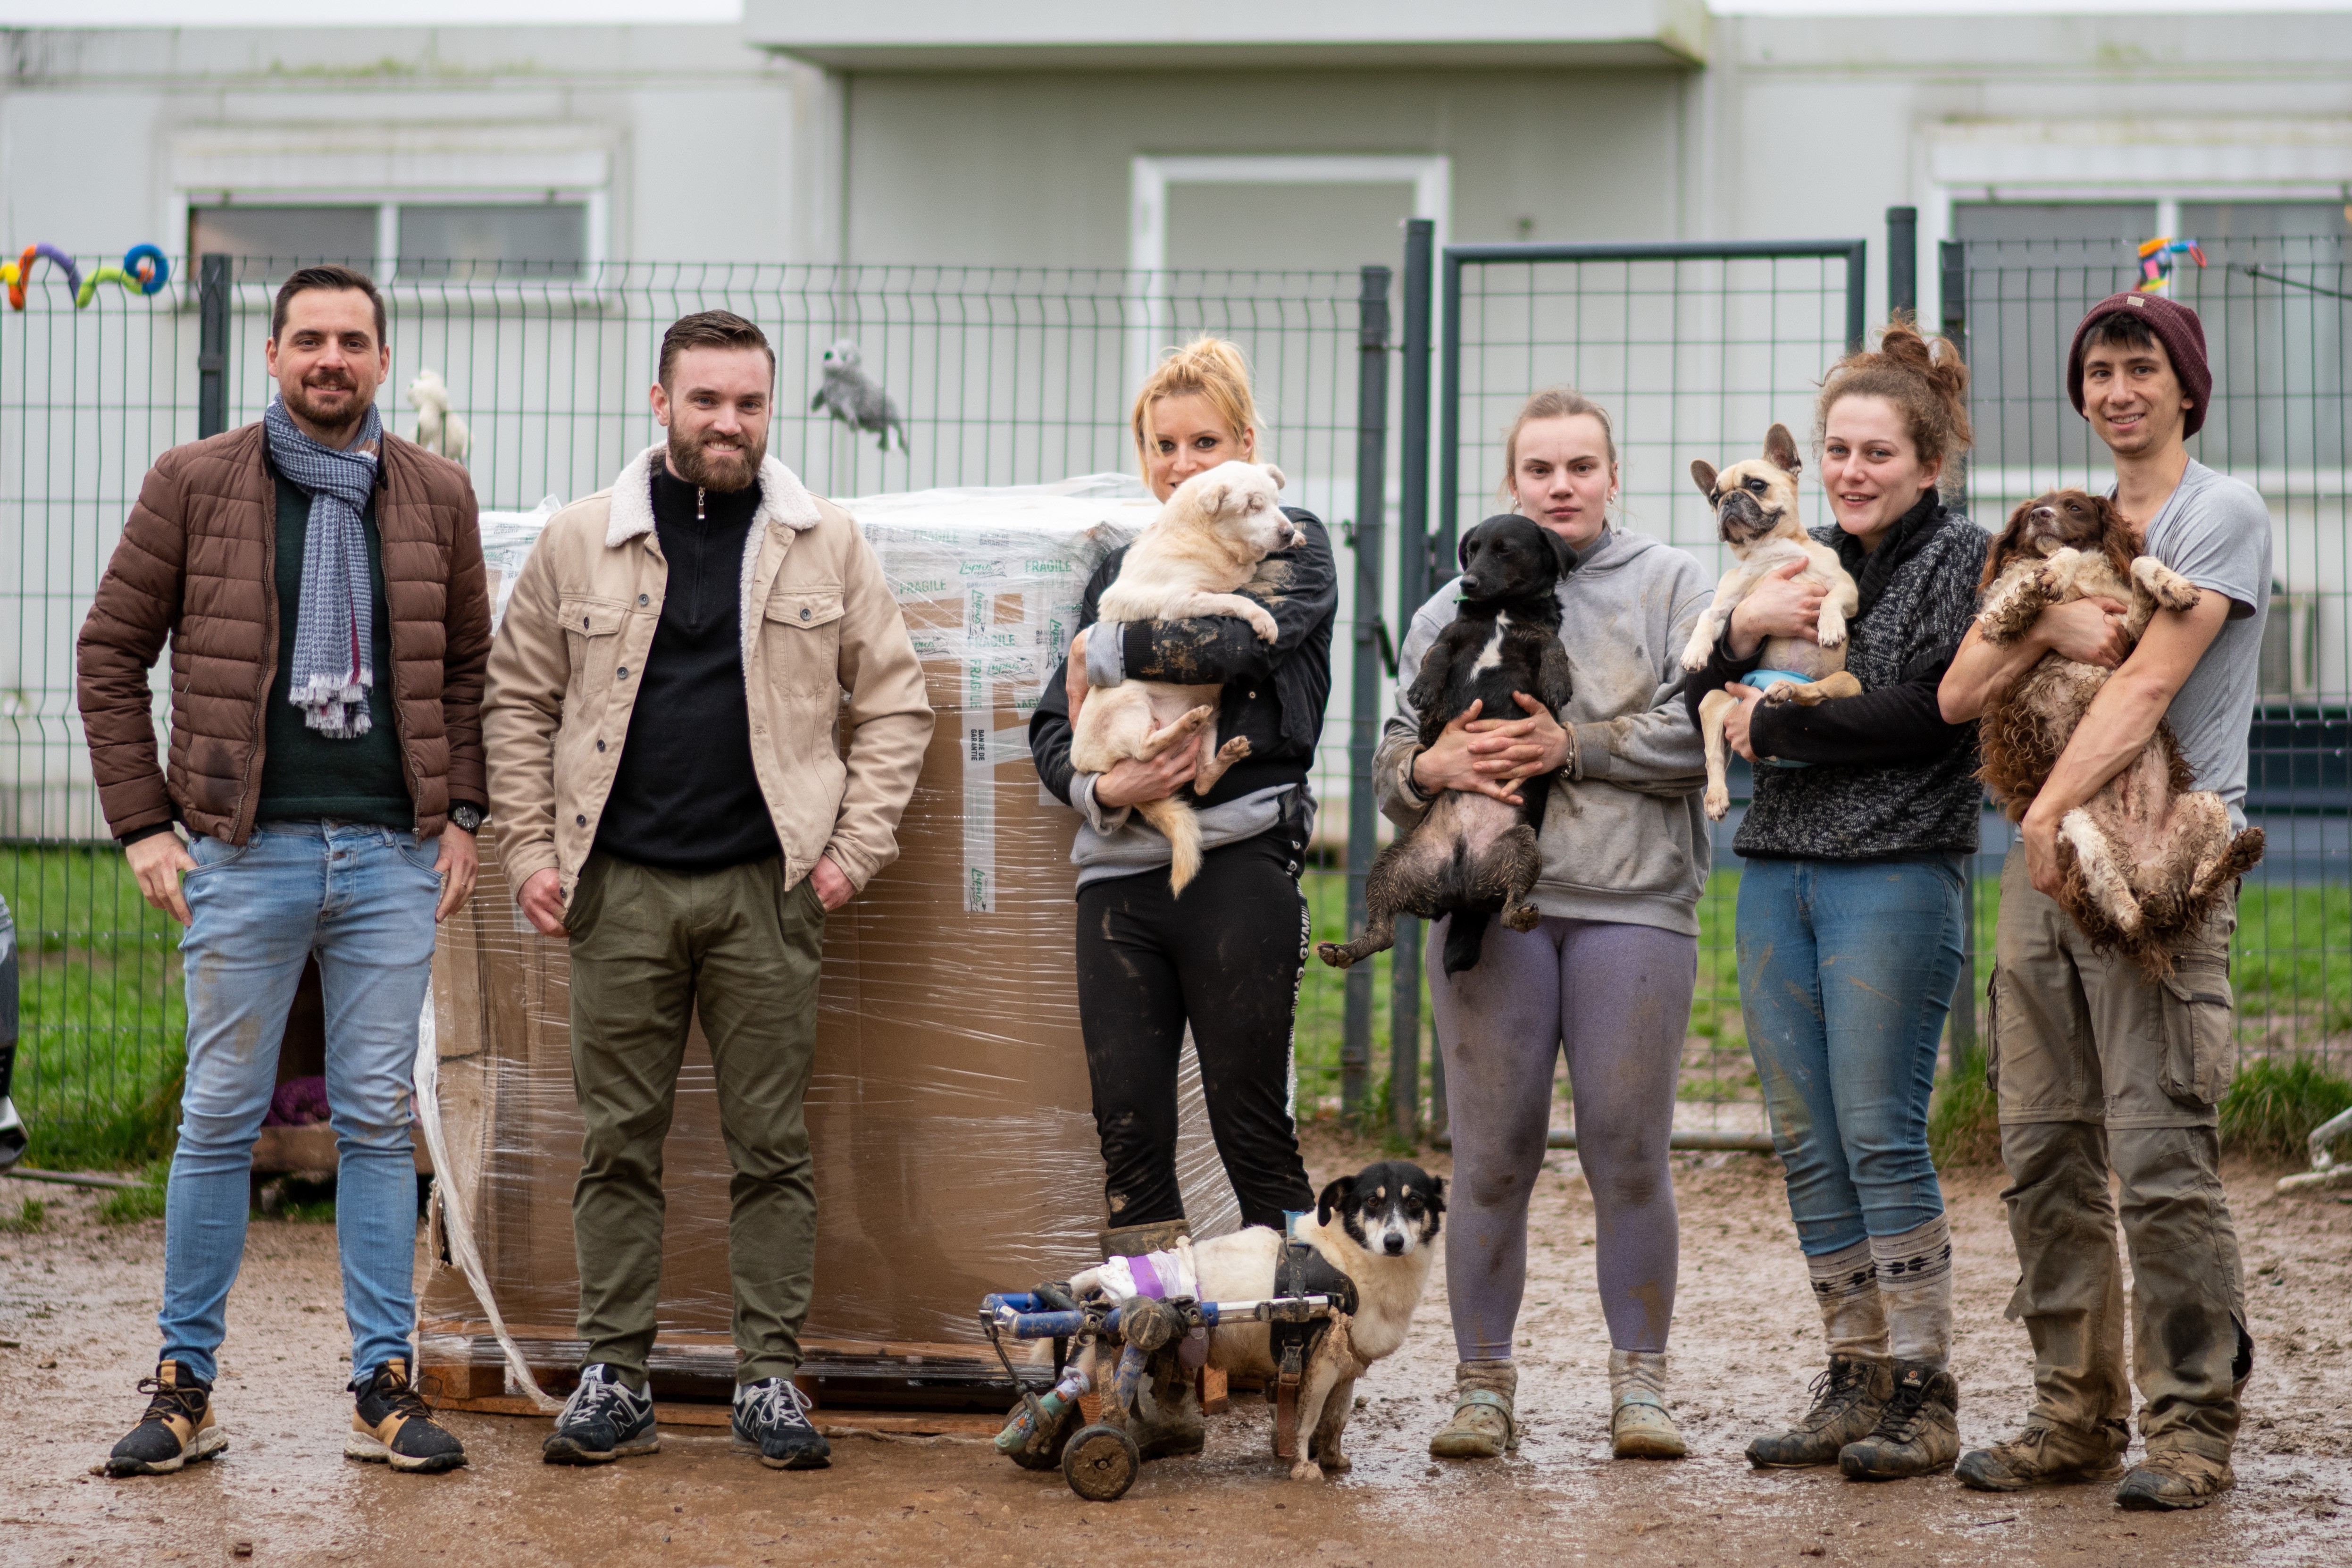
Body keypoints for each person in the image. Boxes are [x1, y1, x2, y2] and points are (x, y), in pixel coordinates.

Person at [483, 310, 931, 1473]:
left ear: (771, 410)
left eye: (749, 404)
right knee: (617, 1145)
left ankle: (768, 1380)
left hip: (766, 892)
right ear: (660, 402)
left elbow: (895, 705)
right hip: (618, 890)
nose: (728, 423)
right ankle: (614, 1378)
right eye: (706, 401)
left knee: (770, 1146)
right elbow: (517, 704)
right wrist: (532, 855)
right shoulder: (579, 542)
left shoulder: (823, 543)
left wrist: (852, 853)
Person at [77, 264, 488, 1476]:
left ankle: (383, 1387)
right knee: (217, 1117)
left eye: (354, 341)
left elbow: (468, 669)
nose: (331, 359)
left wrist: (464, 811)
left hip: (391, 857)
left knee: (373, 1116)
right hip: (240, 853)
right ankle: (182, 1386)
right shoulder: (193, 484)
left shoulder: (436, 495)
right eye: (308, 339)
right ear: (272, 357)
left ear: (379, 357)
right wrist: (146, 827)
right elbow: (109, 653)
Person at [1937, 293, 2266, 1511]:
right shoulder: (2062, 524)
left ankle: (2188, 1427)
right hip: (2049, 869)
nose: (2118, 390)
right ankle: (2072, 1414)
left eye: (2141, 369)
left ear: (2186, 386)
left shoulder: (2215, 511)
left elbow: (2147, 687)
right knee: (2041, 1150)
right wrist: (2045, 620)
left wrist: (2038, 818)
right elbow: (1957, 692)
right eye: (2099, 373)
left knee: (2160, 1149)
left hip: (2157, 849)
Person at [1380, 388, 1713, 1462]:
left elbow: (1700, 728)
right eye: (1540, 470)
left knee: (1626, 1151)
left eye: (1581, 467)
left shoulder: (1670, 583)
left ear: (1613, 478)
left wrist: (1576, 747)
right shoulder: (1452, 607)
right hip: (1493, 910)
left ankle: (1641, 1389)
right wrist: (1428, 767)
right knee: (1489, 1158)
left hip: (1634, 904)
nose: (1561, 486)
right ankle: (1483, 1389)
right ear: (1510, 486)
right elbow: (1393, 755)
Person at [1685, 322, 1987, 1481]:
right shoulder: (1783, 564)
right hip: (1778, 867)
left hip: (1897, 868)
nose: (1856, 472)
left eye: (1879, 453)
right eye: (1839, 450)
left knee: (1878, 1132)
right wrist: (1746, 667)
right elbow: (1696, 685)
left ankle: (1924, 1390)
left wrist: (1772, 722)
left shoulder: (1960, 558)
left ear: (1927, 462)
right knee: (1809, 1143)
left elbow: (1929, 709)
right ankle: (1853, 1377)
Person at [1027, 338, 1333, 1263]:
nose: (1183, 465)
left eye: (1205, 444)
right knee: (1128, 1133)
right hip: (1119, 875)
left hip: (1238, 861)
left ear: (1244, 444)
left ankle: (1298, 1335)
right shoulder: (1127, 561)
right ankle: (1157, 1357)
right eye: (1163, 446)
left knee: (1249, 1122)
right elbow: (1050, 728)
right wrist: (1101, 785)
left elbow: (1231, 651)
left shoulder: (1291, 540)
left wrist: (1102, 653)